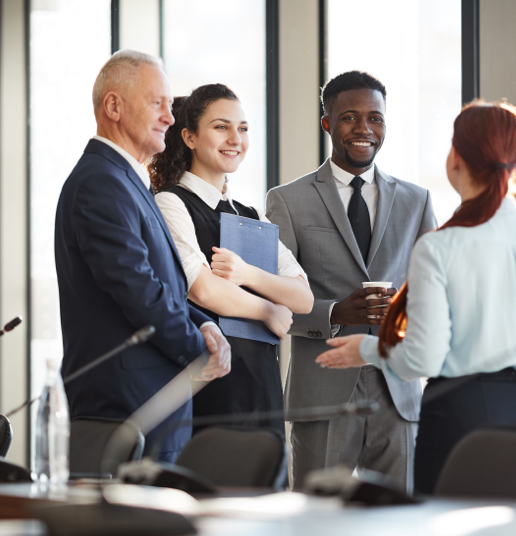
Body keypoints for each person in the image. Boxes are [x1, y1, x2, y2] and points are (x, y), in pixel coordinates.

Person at [315, 101, 516, 495]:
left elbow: (422, 358)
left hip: (462, 416)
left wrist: (368, 349)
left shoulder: (440, 246)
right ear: (515, 159)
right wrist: (512, 374)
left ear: (456, 158)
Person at [55, 50, 231, 464]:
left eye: (170, 106)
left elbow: (162, 281)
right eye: (159, 103)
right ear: (113, 106)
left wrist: (206, 326)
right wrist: (197, 349)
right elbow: (138, 290)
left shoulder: (124, 179)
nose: (171, 118)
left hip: (152, 403)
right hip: (127, 409)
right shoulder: (100, 182)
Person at [266, 71, 437, 493]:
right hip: (323, 392)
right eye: (349, 117)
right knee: (314, 526)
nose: (364, 129)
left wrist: (406, 306)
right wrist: (333, 313)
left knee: (401, 526)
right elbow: (271, 300)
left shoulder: (417, 201)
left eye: (375, 118)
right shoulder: (287, 200)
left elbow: (435, 294)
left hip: (396, 391)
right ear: (326, 122)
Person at [150, 84, 313, 438]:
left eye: (242, 128)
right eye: (221, 127)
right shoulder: (170, 203)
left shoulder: (251, 214)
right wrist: (270, 310)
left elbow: (303, 297)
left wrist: (247, 273)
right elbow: (203, 290)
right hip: (211, 381)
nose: (235, 138)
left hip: (262, 388)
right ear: (189, 137)